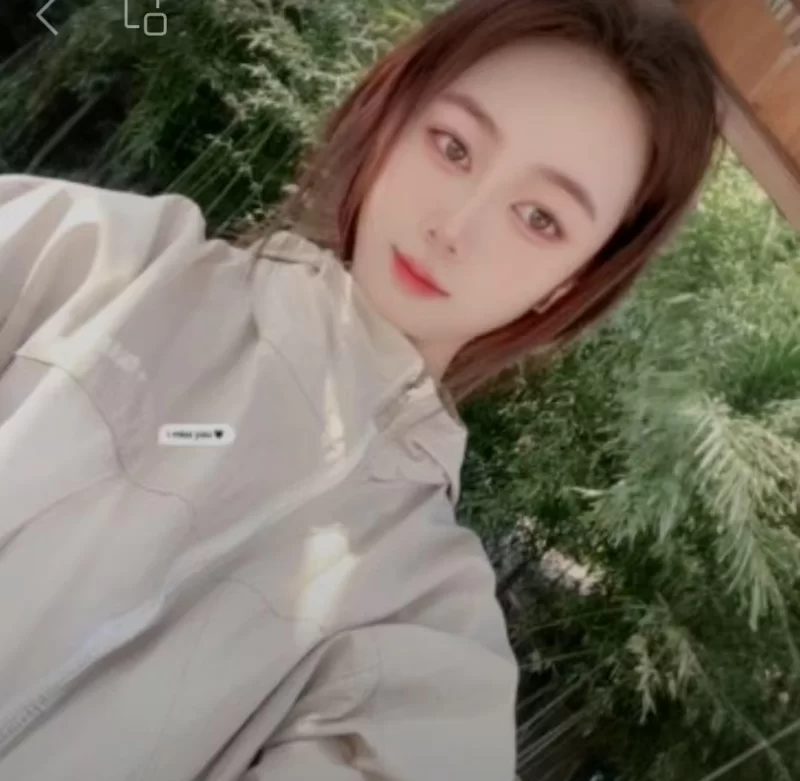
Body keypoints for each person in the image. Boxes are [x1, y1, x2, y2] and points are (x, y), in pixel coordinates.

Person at [0, 0, 723, 778]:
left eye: (539, 218)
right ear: (394, 114)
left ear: (572, 282)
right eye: (454, 145)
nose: (455, 224)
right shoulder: (105, 261)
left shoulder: (429, 630)